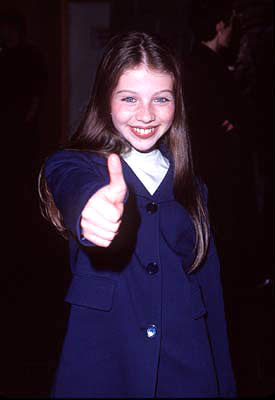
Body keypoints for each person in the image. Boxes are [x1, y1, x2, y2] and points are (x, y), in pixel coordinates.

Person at [39, 31, 236, 398]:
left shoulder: (192, 185)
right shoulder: (79, 165)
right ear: (105, 102)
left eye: (161, 99)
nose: (146, 114)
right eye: (129, 98)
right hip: (103, 363)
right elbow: (69, 181)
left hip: (186, 366)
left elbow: (212, 296)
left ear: (177, 103)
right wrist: (89, 206)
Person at [182, 1, 245, 289]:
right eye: (231, 24)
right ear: (220, 26)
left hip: (201, 161)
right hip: (214, 163)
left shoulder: (194, 60)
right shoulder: (209, 65)